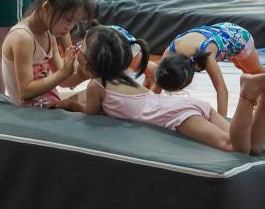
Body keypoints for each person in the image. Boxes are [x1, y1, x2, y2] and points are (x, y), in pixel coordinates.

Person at [58, 27, 265, 155]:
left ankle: (247, 93)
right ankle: (262, 96)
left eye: (80, 47)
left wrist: (69, 104)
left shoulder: (96, 86)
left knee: (234, 147)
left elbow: (90, 113)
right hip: (185, 107)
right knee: (253, 147)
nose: (77, 48)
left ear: (88, 65)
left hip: (178, 117)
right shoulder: (125, 78)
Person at [1, 0, 93, 107]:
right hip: (29, 113)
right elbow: (25, 91)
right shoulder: (23, 38)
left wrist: (84, 74)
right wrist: (63, 73)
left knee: (95, 95)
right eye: (69, 20)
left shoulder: (49, 33)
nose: (70, 27)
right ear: (47, 7)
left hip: (49, 105)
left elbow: (64, 82)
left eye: (75, 21)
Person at [148, 23, 265, 117]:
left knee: (255, 73)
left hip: (239, 37)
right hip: (221, 33)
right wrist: (149, 107)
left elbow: (222, 89)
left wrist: (222, 121)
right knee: (241, 67)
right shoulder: (170, 53)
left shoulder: (207, 56)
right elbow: (157, 84)